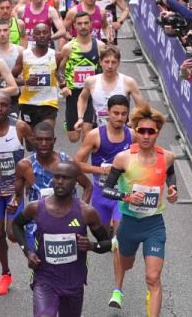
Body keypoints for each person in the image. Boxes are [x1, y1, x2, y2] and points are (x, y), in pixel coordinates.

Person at [101, 106, 179, 316]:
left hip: (154, 224)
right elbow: (107, 189)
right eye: (141, 130)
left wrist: (173, 190)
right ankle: (119, 276)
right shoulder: (123, 158)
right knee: (127, 264)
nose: (145, 135)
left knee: (153, 278)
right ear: (135, 131)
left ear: (158, 132)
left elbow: (170, 175)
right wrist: (126, 197)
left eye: (150, 131)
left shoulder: (168, 156)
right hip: (129, 222)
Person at [11, 161, 114, 317]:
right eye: (57, 177)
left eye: (65, 178)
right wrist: (28, 251)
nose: (59, 181)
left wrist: (92, 246)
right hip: (45, 280)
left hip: (74, 283)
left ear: (75, 182)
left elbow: (107, 244)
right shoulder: (35, 208)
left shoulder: (86, 212)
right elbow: (17, 225)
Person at [74, 93, 133, 305]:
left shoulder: (132, 136)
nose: (120, 117)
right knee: (104, 241)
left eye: (124, 114)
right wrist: (100, 170)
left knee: (117, 241)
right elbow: (77, 163)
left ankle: (117, 290)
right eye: (116, 113)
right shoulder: (95, 136)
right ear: (107, 113)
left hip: (121, 197)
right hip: (100, 197)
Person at [0, 91, 34, 296]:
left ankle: (33, 256)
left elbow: (35, 151)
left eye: (4, 105)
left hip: (15, 190)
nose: (0, 109)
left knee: (13, 232)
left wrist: (28, 182)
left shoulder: (19, 127)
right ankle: (5, 273)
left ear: (10, 108)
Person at [57, 12, 106, 143]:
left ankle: (82, 162)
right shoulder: (68, 48)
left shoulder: (100, 46)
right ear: (74, 26)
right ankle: (68, 122)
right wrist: (63, 86)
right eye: (79, 24)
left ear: (91, 24)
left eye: (86, 23)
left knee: (87, 134)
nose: (83, 26)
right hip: (73, 94)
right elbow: (59, 69)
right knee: (73, 138)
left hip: (91, 95)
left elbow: (104, 68)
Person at [18, 24, 60, 129]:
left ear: (50, 35)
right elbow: (11, 79)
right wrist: (25, 82)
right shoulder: (24, 55)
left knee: (45, 136)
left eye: (45, 33)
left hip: (49, 104)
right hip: (28, 104)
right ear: (33, 36)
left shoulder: (56, 55)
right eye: (38, 33)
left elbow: (60, 75)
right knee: (30, 140)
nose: (42, 36)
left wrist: (63, 84)